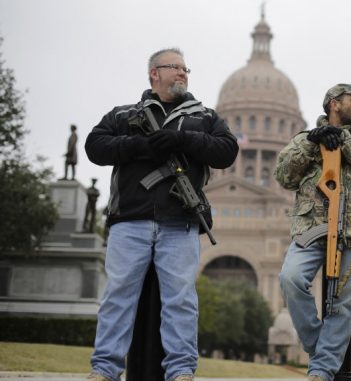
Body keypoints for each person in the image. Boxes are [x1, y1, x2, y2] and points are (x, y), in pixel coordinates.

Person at [84, 48, 238, 381]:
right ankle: (105, 370)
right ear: (154, 73)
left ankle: (181, 371)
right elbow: (95, 146)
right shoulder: (125, 114)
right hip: (131, 219)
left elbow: (227, 150)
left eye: (186, 68)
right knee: (118, 297)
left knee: (181, 299)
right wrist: (141, 146)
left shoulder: (205, 117)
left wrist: (182, 138)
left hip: (180, 221)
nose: (183, 73)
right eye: (175, 67)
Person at [275, 83, 351, 381]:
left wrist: (343, 140)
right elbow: (284, 175)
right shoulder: (304, 140)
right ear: (335, 104)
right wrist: (314, 142)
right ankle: (320, 345)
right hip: (311, 227)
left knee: (342, 303)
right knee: (291, 279)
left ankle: (321, 371)